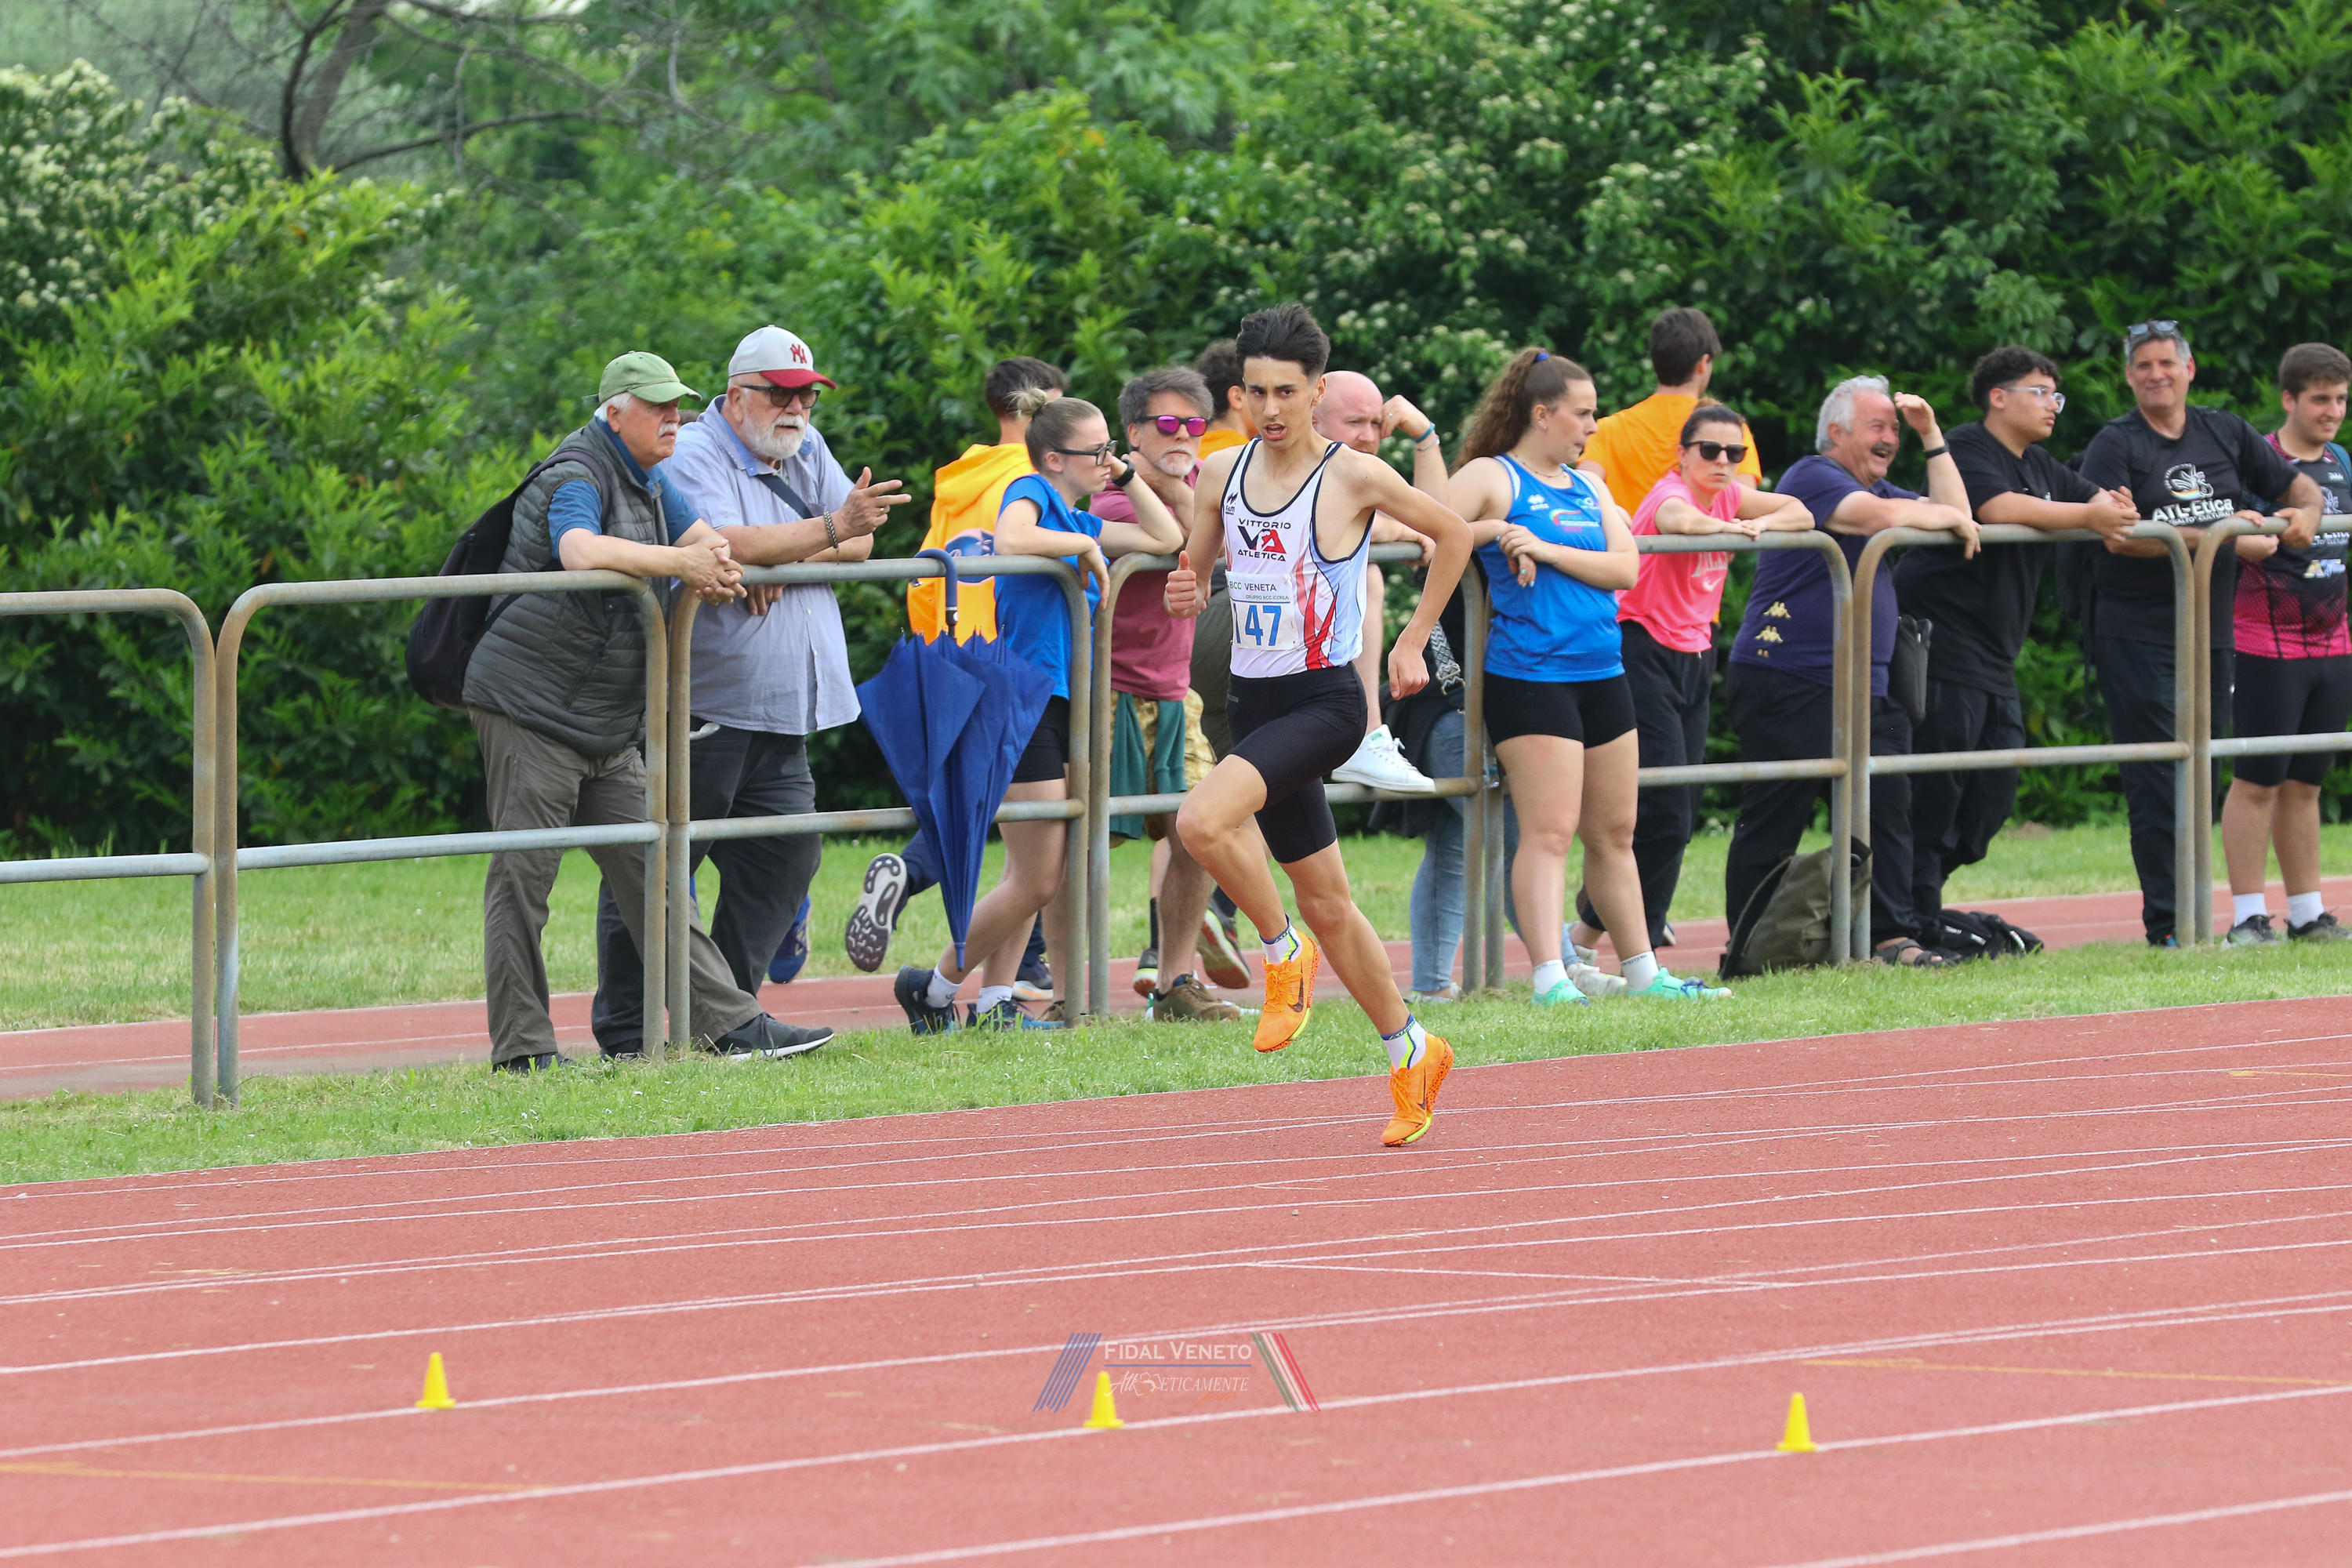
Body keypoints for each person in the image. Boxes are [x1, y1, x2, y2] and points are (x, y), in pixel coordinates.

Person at [1164, 302, 1473, 1148]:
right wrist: (1186, 589)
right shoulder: (1220, 474)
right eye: (1255, 392)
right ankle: (1414, 1049)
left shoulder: (1354, 476)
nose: (1270, 409)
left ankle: (1280, 950)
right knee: (1332, 903)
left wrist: (1411, 638)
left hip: (1326, 703)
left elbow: (1453, 535)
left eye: (1287, 393)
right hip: (1254, 700)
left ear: (1317, 391)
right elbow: (1195, 573)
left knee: (1201, 821)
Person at [462, 351, 823, 1070]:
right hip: (531, 709)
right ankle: (523, 1051)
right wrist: (682, 565)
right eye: (657, 408)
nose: (673, 420)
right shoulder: (576, 472)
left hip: (605, 722)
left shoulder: (651, 480)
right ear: (614, 412)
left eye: (677, 407)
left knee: (657, 874)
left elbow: (707, 541)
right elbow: (578, 550)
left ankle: (727, 1025)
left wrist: (729, 566)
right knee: (524, 883)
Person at [586, 326, 909, 1049]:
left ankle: (724, 1020)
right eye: (780, 394)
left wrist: (781, 560)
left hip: (785, 707)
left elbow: (860, 540)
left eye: (807, 396)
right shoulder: (694, 449)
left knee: (786, 857)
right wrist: (811, 537)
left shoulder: (807, 447)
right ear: (735, 396)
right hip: (706, 704)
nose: (796, 409)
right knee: (656, 868)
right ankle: (627, 1032)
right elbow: (716, 543)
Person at [894, 392, 1185, 1031]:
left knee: (1030, 869)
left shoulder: (1078, 519)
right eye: (1097, 452)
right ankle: (933, 989)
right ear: (1055, 458)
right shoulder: (1031, 491)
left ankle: (996, 1000)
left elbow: (1168, 536)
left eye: (1112, 449)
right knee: (1036, 880)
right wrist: (1081, 548)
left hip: (1062, 702)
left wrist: (1126, 477)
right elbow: (1012, 536)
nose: (1108, 460)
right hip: (1022, 701)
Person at [1447, 350, 1731, 1004]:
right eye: (1583, 413)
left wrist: (1542, 548)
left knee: (1615, 833)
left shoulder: (1588, 486)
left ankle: (1644, 973)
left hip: (1603, 669)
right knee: (1549, 833)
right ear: (1542, 414)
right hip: (1530, 674)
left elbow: (1625, 569)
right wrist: (1497, 529)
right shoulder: (1494, 476)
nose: (1594, 427)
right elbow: (1428, 527)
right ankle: (1550, 977)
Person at [2079, 320, 2323, 946]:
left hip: (2210, 633)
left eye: (2167, 363)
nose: (2156, 375)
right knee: (2158, 778)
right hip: (2136, 633)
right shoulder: (2115, 444)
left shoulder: (2224, 430)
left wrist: (2307, 512)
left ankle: (2199, 917)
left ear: (2189, 370)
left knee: (2201, 774)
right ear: (2129, 376)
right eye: (2144, 366)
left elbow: (2297, 484)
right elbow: (2120, 536)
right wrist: (2222, 538)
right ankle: (2169, 926)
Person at [1723, 375, 1980, 968]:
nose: (1890, 437)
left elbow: (1960, 516)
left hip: (1869, 684)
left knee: (1887, 810)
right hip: (1789, 677)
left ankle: (1891, 939)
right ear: (1837, 433)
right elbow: (1873, 519)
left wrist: (1932, 435)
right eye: (1877, 426)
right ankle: (1748, 949)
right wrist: (1938, 514)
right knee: (1775, 817)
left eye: (1894, 428)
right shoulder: (1812, 475)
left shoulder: (1882, 486)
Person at [1892, 347, 2138, 941]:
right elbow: (1995, 507)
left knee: (1991, 793)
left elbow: (2096, 501)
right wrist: (2088, 516)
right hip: (1942, 644)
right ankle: (1910, 916)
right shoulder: (1968, 447)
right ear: (1998, 397)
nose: (2053, 405)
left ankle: (1918, 901)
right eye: (2040, 392)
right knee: (1938, 787)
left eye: (2057, 395)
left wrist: (2110, 508)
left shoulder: (2042, 464)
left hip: (1996, 655)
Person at [1566, 403, 1813, 982]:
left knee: (1679, 807)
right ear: (1682, 455)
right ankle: (1639, 953)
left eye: (1735, 453)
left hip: (1696, 654)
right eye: (1710, 451)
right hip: (1643, 646)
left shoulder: (1730, 496)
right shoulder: (1672, 492)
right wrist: (1736, 528)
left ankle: (1585, 938)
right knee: (1664, 810)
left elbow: (1801, 512)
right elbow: (1679, 521)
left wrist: (1759, 525)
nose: (1723, 461)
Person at [847, 357, 1065, 991]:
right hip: (1015, 659)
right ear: (1033, 408)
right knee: (1024, 833)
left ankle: (1007, 981)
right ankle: (916, 879)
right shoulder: (1032, 480)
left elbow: (929, 573)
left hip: (952, 653)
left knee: (989, 811)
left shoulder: (961, 479)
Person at [1092, 365, 1253, 1022]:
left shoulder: (1199, 482)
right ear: (1132, 433)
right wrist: (1155, 485)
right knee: (1080, 845)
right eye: (1166, 424)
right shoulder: (1110, 496)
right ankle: (1063, 991)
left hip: (1173, 692)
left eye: (1194, 424)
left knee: (1200, 831)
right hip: (1105, 695)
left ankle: (1173, 983)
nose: (1184, 435)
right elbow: (1191, 535)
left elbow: (1236, 542)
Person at [2220, 342, 2352, 943]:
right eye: (2321, 399)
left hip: (2333, 645)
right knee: (2258, 781)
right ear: (2289, 399)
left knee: (2306, 784)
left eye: (2342, 399)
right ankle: (2248, 916)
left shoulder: (2342, 461)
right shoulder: (2261, 463)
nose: (2333, 411)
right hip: (2265, 644)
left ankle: (2307, 913)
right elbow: (2228, 534)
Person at [1312, 368, 1444, 794]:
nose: (1369, 437)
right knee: (1367, 575)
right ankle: (1366, 735)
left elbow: (1437, 523)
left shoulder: (1358, 476)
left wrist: (1425, 436)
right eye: (1355, 422)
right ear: (1312, 418)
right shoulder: (1292, 462)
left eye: (1375, 424)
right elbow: (1321, 526)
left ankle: (1365, 738)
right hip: (1222, 620)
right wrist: (1394, 530)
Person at [1578, 307, 1766, 503]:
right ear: (1703, 363)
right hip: (1703, 523)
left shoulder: (1608, 430)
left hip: (1627, 525)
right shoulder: (1730, 430)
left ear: (1654, 361)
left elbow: (1583, 495)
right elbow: (1744, 504)